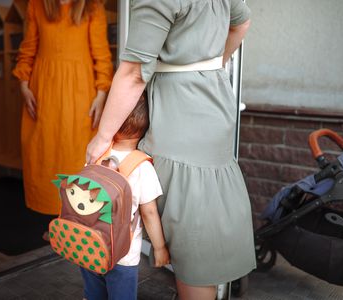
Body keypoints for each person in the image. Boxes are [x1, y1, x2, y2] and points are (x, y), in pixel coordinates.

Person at [86, 0, 256, 299]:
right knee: (201, 217)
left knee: (189, 227)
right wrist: (206, 68)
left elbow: (135, 73)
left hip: (181, 116)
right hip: (214, 106)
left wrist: (102, 137)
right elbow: (241, 23)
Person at [13, 0, 113, 219]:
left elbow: (102, 55)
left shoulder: (92, 6)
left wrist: (101, 94)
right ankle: (56, 220)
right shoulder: (37, 5)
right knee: (45, 152)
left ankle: (77, 219)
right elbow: (28, 48)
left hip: (80, 93)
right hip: (44, 92)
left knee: (76, 154)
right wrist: (23, 86)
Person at [81, 92, 170, 300]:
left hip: (89, 245)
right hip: (122, 256)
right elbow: (148, 212)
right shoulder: (142, 167)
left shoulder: (97, 154)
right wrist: (159, 248)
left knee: (92, 296)